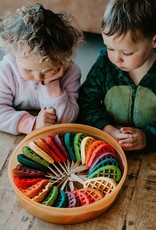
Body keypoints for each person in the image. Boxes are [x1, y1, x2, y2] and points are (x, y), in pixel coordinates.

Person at [77, 0, 156, 151]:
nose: (116, 58)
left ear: (154, 41)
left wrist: (147, 137)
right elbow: (85, 103)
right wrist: (109, 131)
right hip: (108, 142)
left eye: (127, 53)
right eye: (109, 48)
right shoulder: (105, 64)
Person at [0, 3, 84, 135]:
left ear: (63, 60)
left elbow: (67, 119)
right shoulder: (6, 71)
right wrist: (30, 124)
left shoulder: (71, 72)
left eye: (47, 70)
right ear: (14, 53)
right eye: (28, 70)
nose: (38, 78)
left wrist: (52, 85)